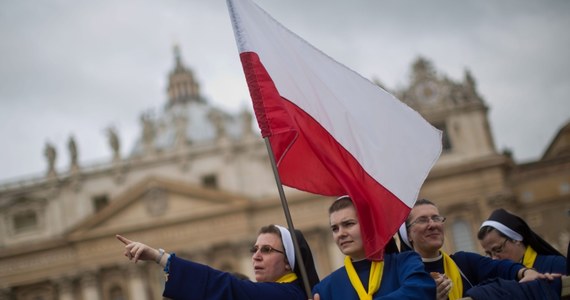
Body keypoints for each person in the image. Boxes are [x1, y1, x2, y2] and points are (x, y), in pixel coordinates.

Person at [398, 199, 557, 300]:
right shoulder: (401, 275)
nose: (432, 224)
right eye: (423, 220)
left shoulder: (463, 262)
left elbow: (500, 268)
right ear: (409, 234)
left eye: (436, 218)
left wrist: (526, 272)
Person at [117, 224, 319, 300]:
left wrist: (159, 257)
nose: (256, 256)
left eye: (266, 250)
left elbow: (228, 286)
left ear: (288, 262)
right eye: (254, 249)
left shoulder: (287, 294)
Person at [312, 196, 436, 299]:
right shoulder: (324, 289)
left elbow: (419, 293)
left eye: (348, 224)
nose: (341, 233)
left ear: (370, 226)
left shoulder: (405, 263)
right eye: (335, 228)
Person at [478, 208, 566, 275]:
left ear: (516, 239)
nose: (494, 259)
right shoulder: (500, 279)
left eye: (498, 249)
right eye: (489, 254)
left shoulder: (556, 265)